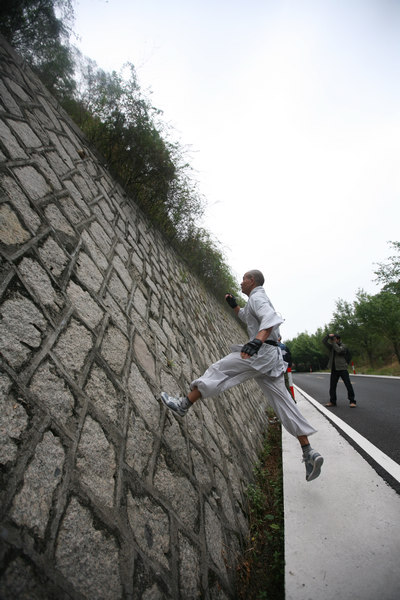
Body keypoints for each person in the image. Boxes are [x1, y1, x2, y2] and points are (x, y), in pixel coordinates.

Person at [161, 270, 324, 482]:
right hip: (271, 359)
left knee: (219, 370)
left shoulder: (258, 296)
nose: (241, 281)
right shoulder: (253, 301)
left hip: (261, 353)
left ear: (252, 281)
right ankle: (308, 452)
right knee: (283, 402)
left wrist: (257, 341)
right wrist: (234, 305)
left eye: (244, 278)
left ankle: (183, 404)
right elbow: (246, 316)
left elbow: (270, 319)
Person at [322, 333, 356, 407]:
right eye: (333, 339)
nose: (333, 340)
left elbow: (339, 351)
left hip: (342, 368)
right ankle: (332, 401)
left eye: (334, 339)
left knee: (348, 385)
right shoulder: (332, 346)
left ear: (338, 339)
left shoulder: (343, 346)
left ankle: (352, 401)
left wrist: (333, 342)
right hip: (334, 369)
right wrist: (328, 336)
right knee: (332, 386)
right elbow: (324, 342)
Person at [277, 335, 295, 400]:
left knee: (279, 386)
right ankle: (292, 401)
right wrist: (289, 365)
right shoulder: (284, 347)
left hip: (277, 369)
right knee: (287, 385)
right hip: (284, 368)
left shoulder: (273, 346)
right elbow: (289, 357)